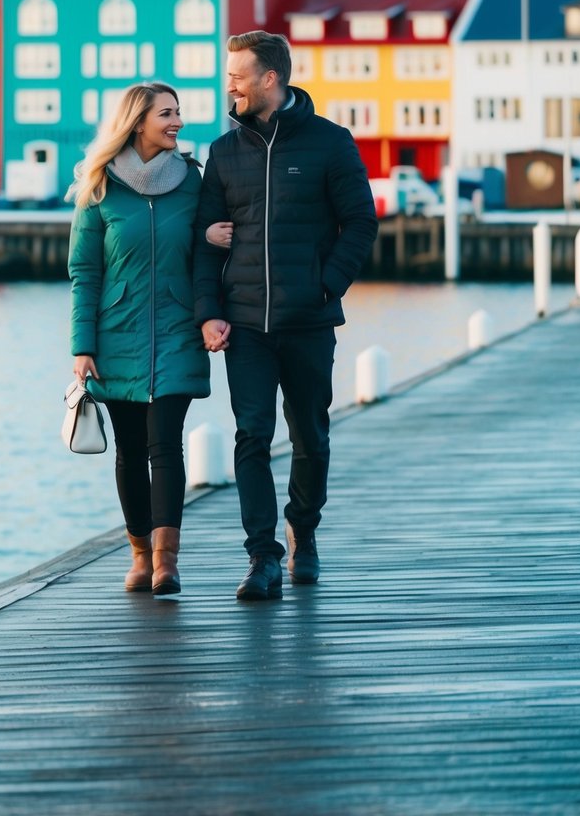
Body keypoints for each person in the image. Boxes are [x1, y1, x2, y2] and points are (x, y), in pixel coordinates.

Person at [194, 31, 379, 601]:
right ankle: (262, 557)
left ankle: (304, 530)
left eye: (238, 75)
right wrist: (209, 312)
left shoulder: (330, 143)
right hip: (245, 323)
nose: (230, 85)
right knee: (252, 435)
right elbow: (204, 244)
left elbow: (361, 223)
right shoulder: (224, 153)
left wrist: (325, 288)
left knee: (311, 438)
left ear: (269, 78)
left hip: (308, 322)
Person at [68, 82, 211, 596]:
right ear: (137, 122)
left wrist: (211, 236)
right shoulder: (101, 185)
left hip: (177, 329)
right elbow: (85, 270)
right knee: (129, 450)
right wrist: (82, 346)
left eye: (178, 112)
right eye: (166, 114)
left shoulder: (194, 180)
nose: (177, 121)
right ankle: (138, 553)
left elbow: (208, 246)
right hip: (116, 335)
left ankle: (167, 561)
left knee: (164, 443)